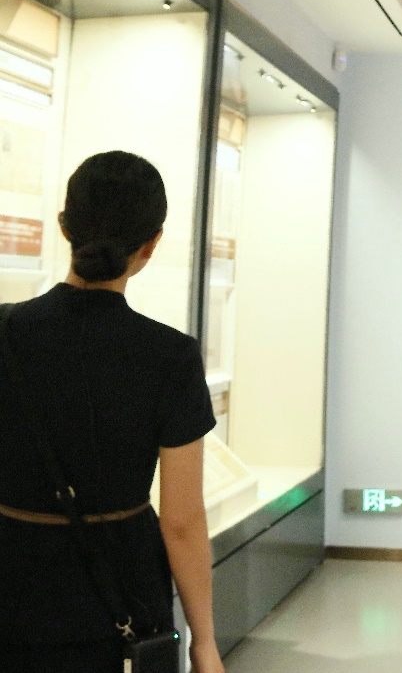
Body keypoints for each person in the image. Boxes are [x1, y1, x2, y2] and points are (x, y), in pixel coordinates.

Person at [0, 151, 223, 672]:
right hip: (122, 595)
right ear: (151, 245)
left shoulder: (4, 332)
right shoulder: (170, 356)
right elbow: (182, 522)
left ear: (64, 226)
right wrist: (205, 642)